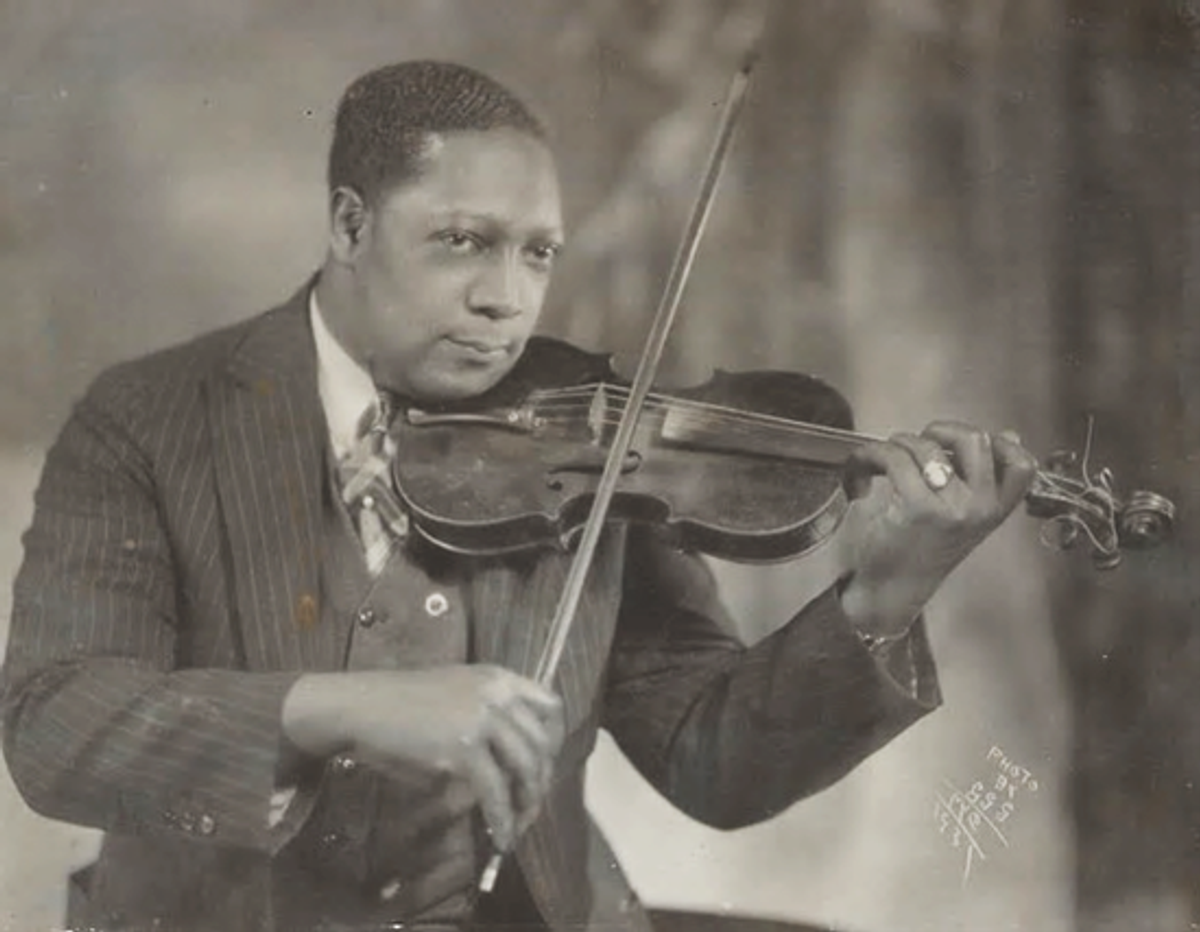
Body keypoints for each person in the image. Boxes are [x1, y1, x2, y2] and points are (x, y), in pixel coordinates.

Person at [0, 60, 1036, 932]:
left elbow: (715, 761)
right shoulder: (148, 419)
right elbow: (55, 721)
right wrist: (341, 707)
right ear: (352, 226)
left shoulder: (592, 438)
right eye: (465, 241)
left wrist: (883, 599)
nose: (508, 298)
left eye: (537, 252)